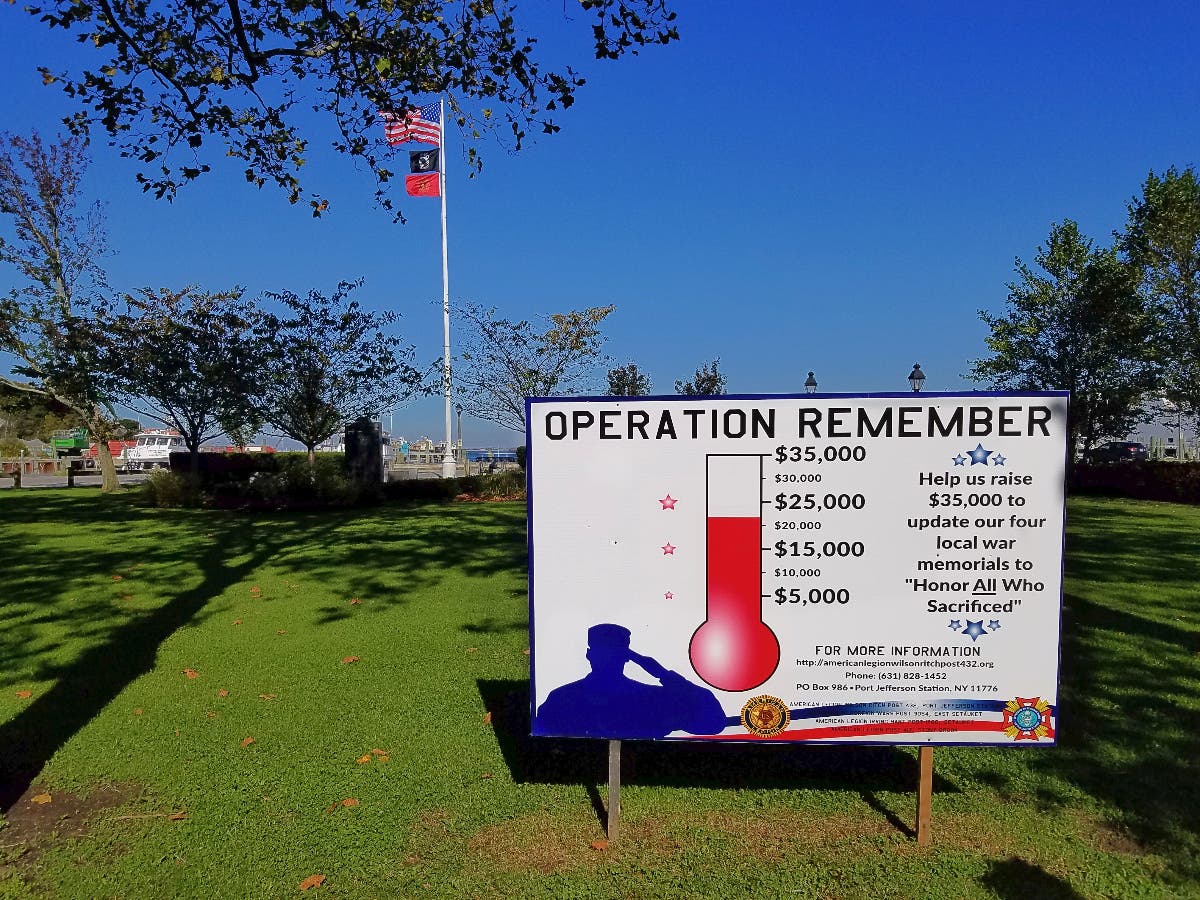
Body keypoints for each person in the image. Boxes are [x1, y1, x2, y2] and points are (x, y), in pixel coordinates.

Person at [534, 623, 727, 739]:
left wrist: (664, 675)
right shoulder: (563, 698)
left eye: (613, 654)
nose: (608, 659)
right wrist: (661, 674)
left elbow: (712, 722)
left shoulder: (564, 696)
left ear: (589, 655)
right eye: (605, 653)